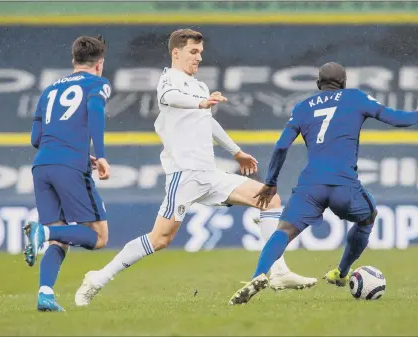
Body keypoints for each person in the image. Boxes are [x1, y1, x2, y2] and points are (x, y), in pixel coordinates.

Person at [75, 28, 317, 306]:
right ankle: (98, 278)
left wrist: (236, 152)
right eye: (193, 52)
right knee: (159, 239)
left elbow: (208, 122)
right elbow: (170, 99)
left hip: (209, 173)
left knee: (269, 198)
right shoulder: (168, 80)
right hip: (184, 174)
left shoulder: (200, 86)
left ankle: (279, 272)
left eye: (201, 52)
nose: (198, 57)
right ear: (176, 53)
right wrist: (201, 102)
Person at [229, 62, 418, 305]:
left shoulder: (303, 107)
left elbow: (281, 145)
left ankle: (258, 275)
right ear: (344, 83)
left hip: (310, 185)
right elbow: (393, 118)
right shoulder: (354, 97)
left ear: (318, 85)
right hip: (343, 184)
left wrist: (271, 182)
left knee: (283, 231)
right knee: (368, 216)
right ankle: (341, 273)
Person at [23, 35, 112, 311]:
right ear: (100, 64)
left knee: (62, 236)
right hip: (70, 167)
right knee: (99, 237)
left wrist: (80, 152)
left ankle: (45, 294)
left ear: (74, 60)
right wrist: (102, 155)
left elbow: (36, 137)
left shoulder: (49, 91)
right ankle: (42, 231)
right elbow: (95, 111)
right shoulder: (97, 84)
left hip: (42, 166)